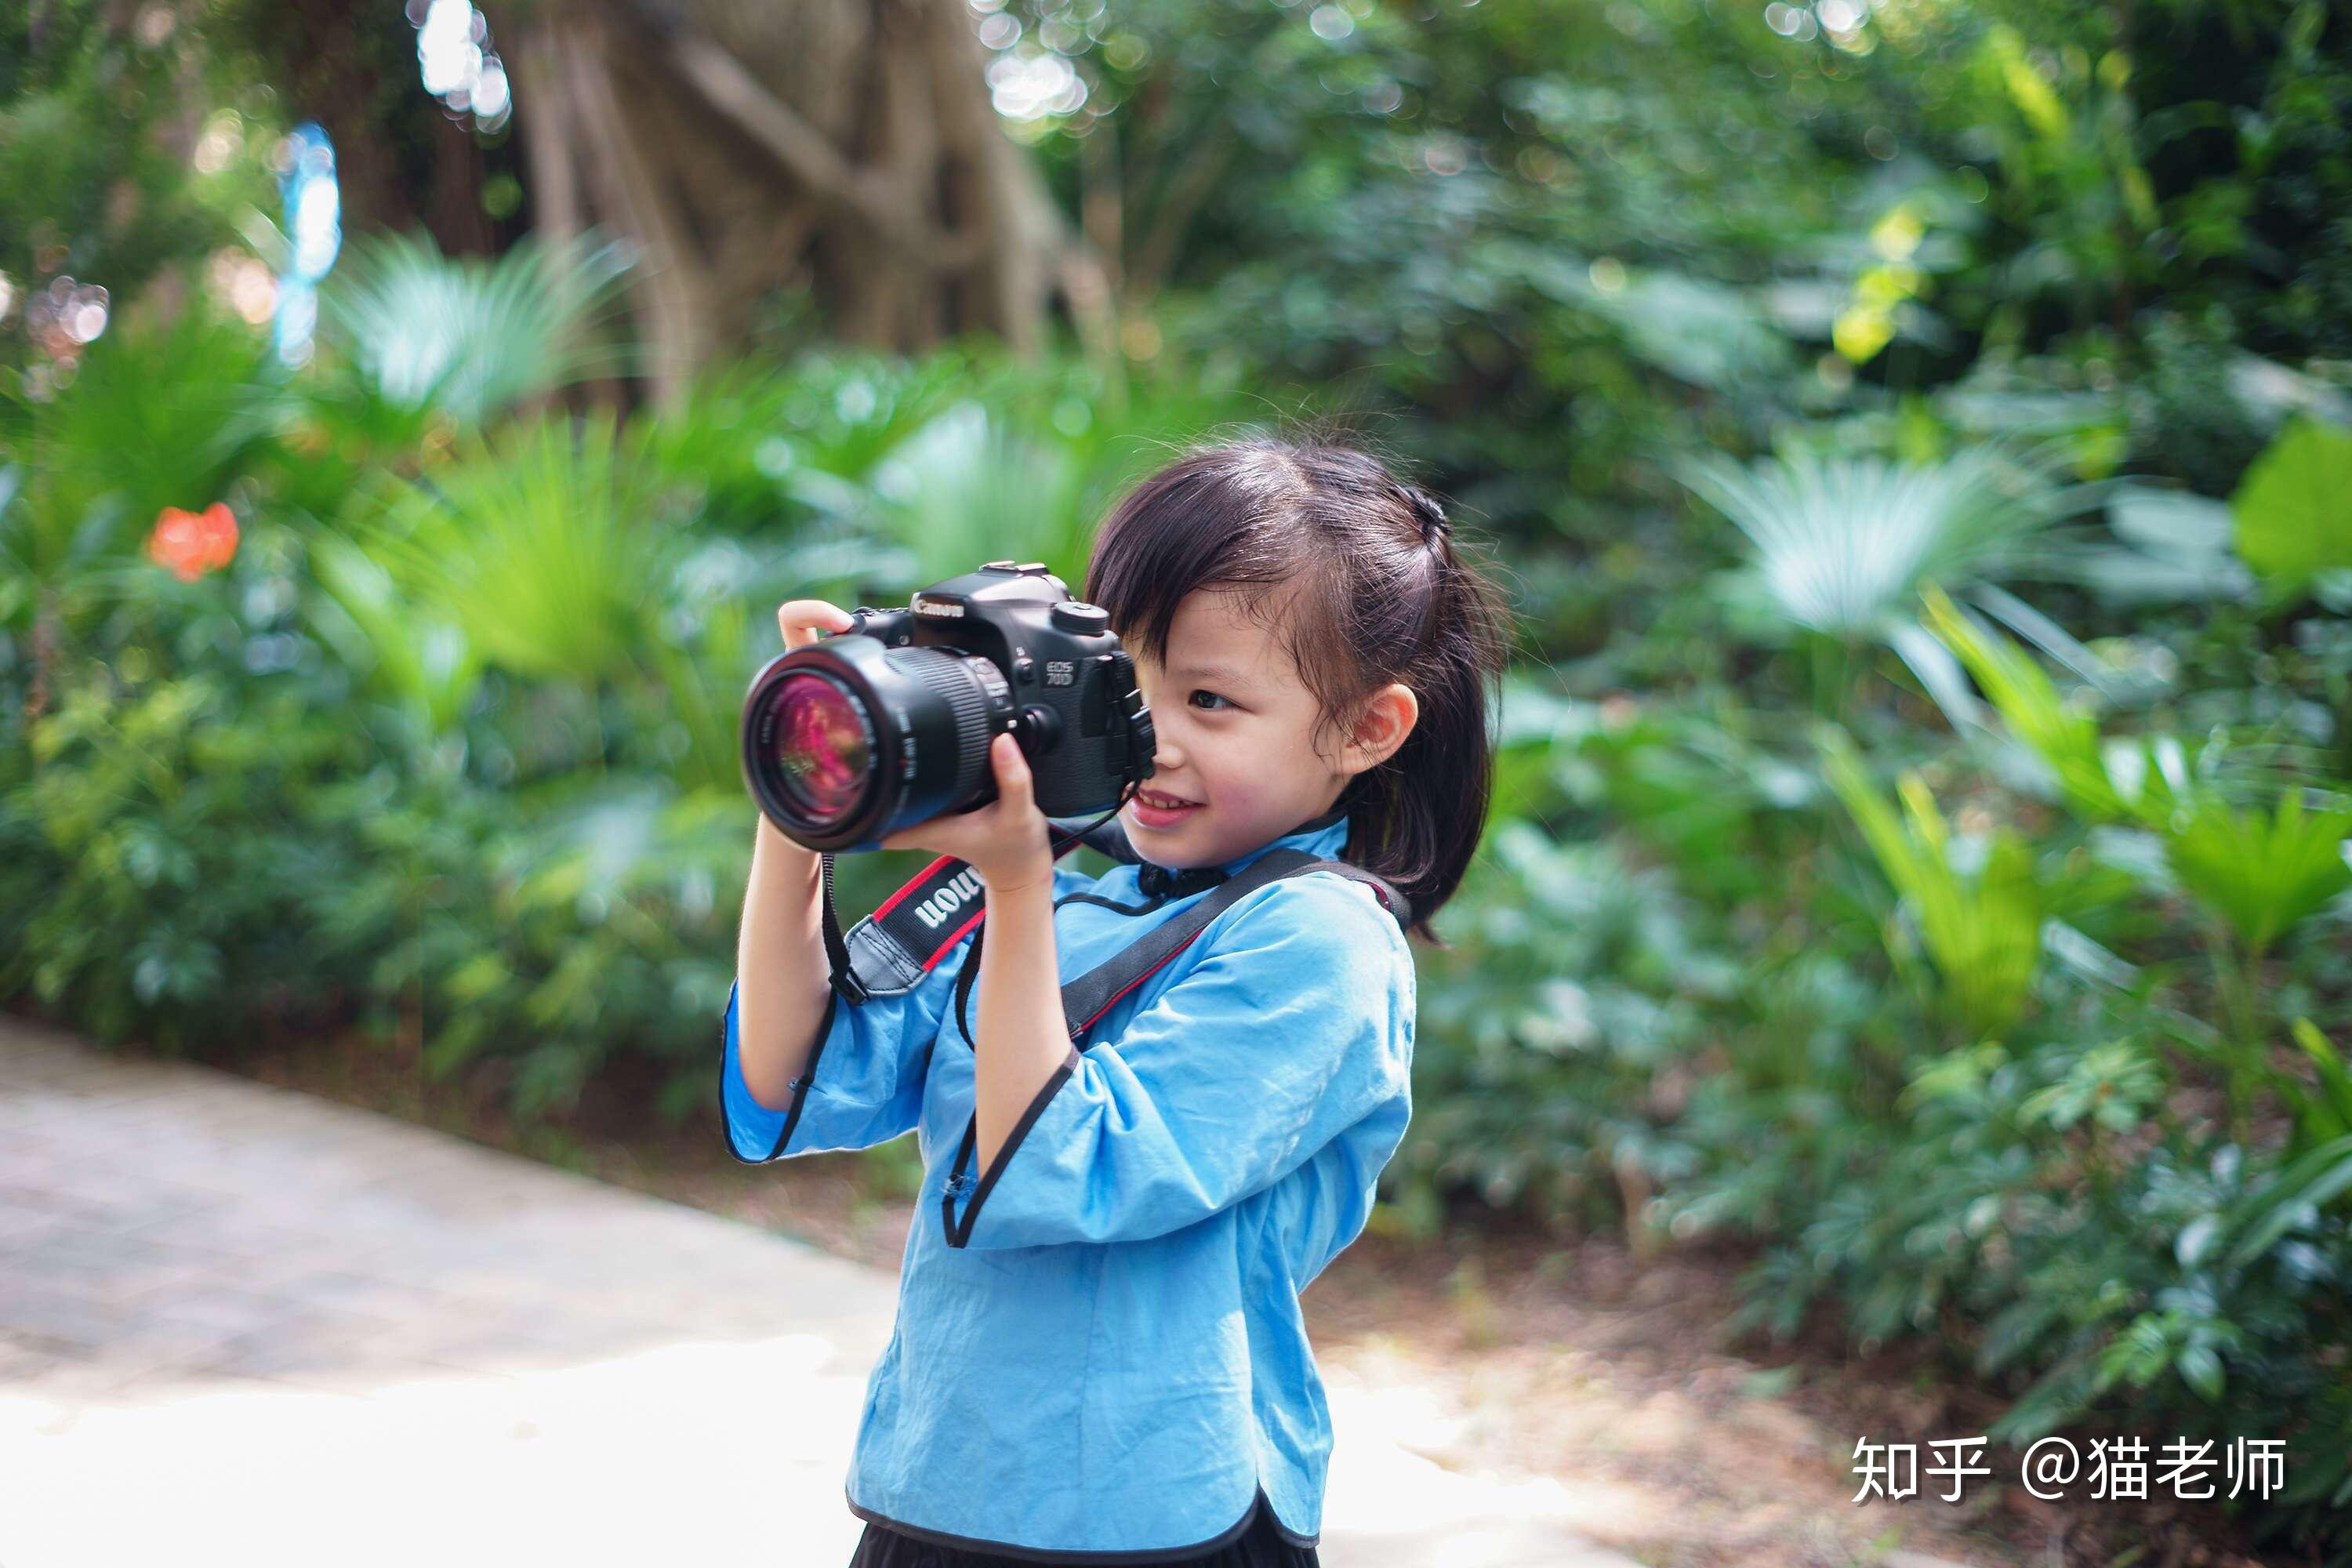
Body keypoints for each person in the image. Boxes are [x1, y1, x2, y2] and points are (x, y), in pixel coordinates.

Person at [722, 433, 1513, 1566]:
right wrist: (810, 794)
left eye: (1207, 699)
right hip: (944, 1493)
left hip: (1154, 1525)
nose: (1150, 738)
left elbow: (1067, 1166)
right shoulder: (1070, 895)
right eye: (1125, 682)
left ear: (1365, 729)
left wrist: (1018, 881)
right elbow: (792, 1074)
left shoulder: (1322, 944)